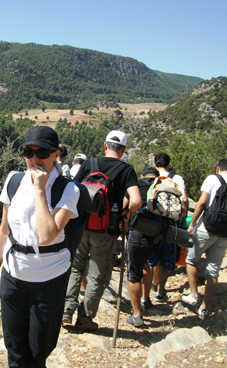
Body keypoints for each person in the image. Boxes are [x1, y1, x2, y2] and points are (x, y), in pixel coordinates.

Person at [0, 126, 80, 368]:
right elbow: (4, 231)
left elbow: (47, 235)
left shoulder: (68, 190)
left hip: (49, 277)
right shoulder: (13, 180)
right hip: (14, 274)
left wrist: (40, 189)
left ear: (56, 154)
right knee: (15, 350)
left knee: (39, 350)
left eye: (42, 153)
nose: (34, 159)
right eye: (28, 152)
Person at [63, 131, 141, 331]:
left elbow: (72, 188)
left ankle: (66, 309)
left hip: (81, 224)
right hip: (107, 229)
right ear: (123, 150)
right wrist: (124, 213)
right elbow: (136, 201)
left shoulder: (89, 163)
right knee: (97, 275)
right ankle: (85, 318)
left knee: (75, 267)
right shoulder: (126, 170)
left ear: (105, 146)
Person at [183, 158, 227, 318]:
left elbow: (202, 202)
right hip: (225, 233)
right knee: (213, 271)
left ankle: (194, 295)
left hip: (206, 228)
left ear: (218, 168)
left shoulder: (212, 179)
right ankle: (205, 307)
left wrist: (192, 224)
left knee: (191, 260)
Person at [147, 153, 188, 303]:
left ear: (154, 164)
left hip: (154, 224)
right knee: (167, 258)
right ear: (169, 165)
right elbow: (184, 199)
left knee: (152, 257)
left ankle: (151, 285)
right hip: (171, 224)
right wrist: (182, 218)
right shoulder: (177, 179)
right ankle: (160, 292)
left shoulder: (153, 178)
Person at [125, 167, 163, 327]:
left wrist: (124, 224)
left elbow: (126, 206)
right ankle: (145, 299)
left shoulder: (136, 185)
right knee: (145, 262)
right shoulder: (162, 186)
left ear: (143, 176)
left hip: (138, 231)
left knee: (133, 273)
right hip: (158, 235)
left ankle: (137, 314)